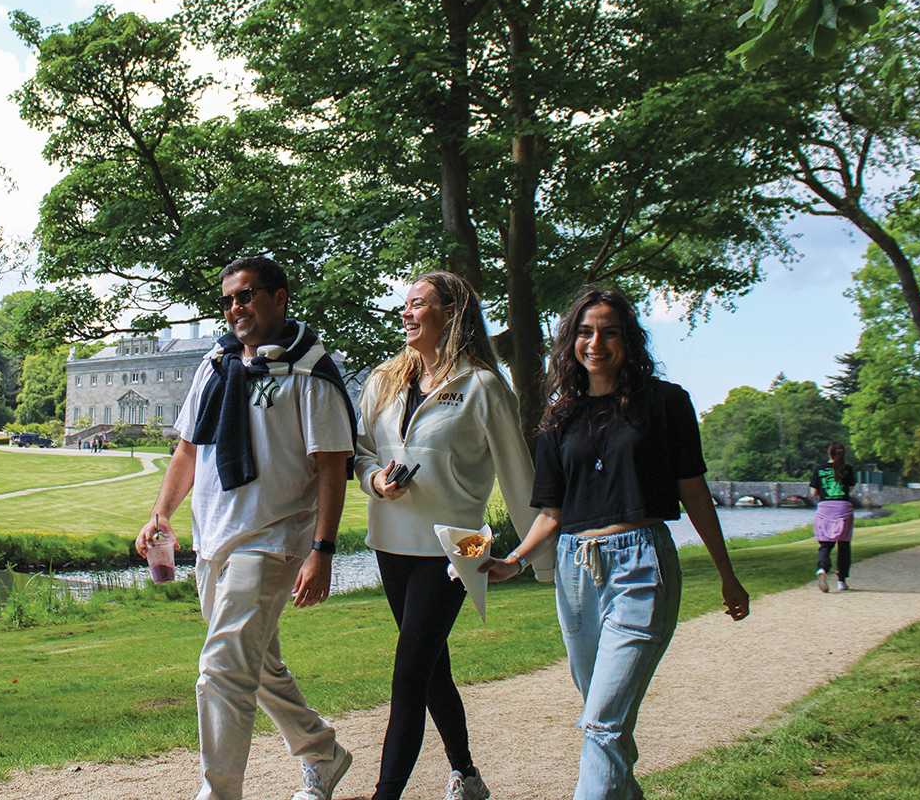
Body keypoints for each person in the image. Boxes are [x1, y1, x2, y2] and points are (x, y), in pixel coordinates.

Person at [485, 286, 750, 800]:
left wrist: (727, 573)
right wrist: (512, 561)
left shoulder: (666, 403)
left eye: (609, 331)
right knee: (604, 721)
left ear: (628, 339)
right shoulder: (559, 419)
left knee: (601, 724)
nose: (596, 342)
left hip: (641, 565)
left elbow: (693, 492)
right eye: (585, 332)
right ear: (570, 343)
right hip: (574, 575)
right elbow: (552, 515)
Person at [136, 256, 357, 800]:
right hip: (213, 539)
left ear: (280, 298)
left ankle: (220, 792)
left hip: (274, 540)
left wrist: (322, 550)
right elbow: (187, 448)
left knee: (221, 670)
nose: (236, 307)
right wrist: (161, 513)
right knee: (256, 664)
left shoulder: (312, 373)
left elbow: (333, 467)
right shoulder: (215, 364)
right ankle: (322, 753)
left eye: (248, 295)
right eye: (229, 299)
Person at [353, 271, 553, 800]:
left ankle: (385, 794)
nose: (407, 312)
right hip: (390, 541)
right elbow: (363, 453)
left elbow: (518, 474)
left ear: (452, 313)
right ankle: (467, 774)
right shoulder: (382, 381)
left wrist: (543, 560)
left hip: (461, 545)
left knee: (409, 670)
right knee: (431, 664)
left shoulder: (483, 385)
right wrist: (376, 480)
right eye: (406, 304)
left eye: (419, 304)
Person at [809, 442, 855, 592]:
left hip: (825, 509)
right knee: (843, 544)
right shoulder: (847, 469)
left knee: (825, 543)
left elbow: (814, 493)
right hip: (843, 508)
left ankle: (822, 569)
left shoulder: (819, 469)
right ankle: (841, 581)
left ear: (829, 453)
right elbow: (850, 489)